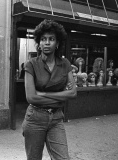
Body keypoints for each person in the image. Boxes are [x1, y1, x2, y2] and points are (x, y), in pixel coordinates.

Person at [22, 19, 77, 160]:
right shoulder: (31, 64)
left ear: (57, 43)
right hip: (35, 118)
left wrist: (44, 93)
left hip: (56, 118)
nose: (47, 42)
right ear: (39, 43)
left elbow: (73, 93)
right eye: (43, 39)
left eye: (51, 39)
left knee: (63, 158)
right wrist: (62, 94)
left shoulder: (65, 64)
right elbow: (31, 97)